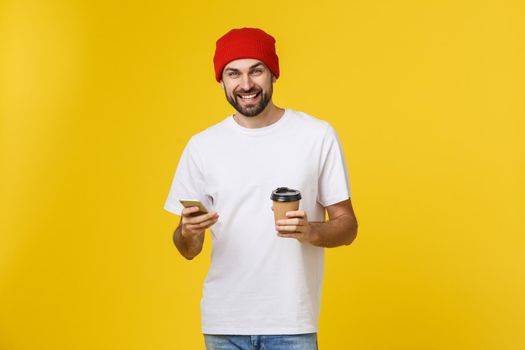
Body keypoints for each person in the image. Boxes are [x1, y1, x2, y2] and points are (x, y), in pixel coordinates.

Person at [164, 27, 358, 350]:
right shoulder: (202, 147)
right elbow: (187, 249)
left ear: (273, 74)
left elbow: (348, 226)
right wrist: (188, 232)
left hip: (291, 323)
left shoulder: (316, 136)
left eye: (256, 70)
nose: (246, 84)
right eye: (233, 73)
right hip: (224, 323)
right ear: (221, 80)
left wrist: (310, 231)